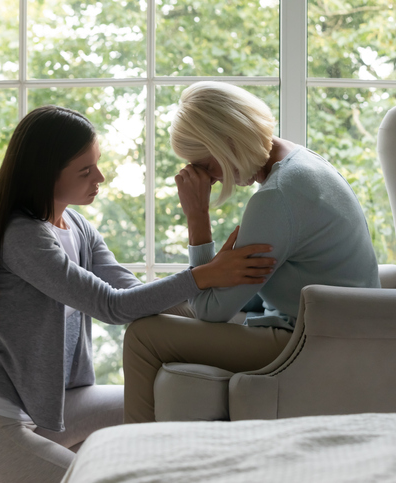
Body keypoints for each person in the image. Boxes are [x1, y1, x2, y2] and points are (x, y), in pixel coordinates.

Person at [0, 105, 276, 483]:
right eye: (85, 171)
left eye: (96, 163)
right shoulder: (22, 236)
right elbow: (112, 306)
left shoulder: (77, 226)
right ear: (44, 175)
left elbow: (133, 292)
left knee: (165, 401)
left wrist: (235, 317)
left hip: (55, 406)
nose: (100, 177)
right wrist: (204, 276)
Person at [122, 81, 381, 423]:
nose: (209, 180)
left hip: (313, 341)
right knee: (164, 307)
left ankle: (136, 463)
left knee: (143, 335)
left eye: (205, 165)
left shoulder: (277, 197)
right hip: (324, 327)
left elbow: (209, 312)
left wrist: (197, 215)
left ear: (226, 143)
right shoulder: (301, 162)